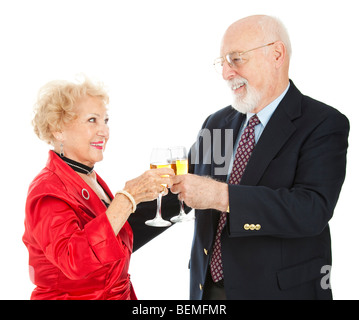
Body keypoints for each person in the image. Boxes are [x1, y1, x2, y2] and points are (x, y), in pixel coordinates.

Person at [171, 15, 350, 300]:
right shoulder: (217, 123)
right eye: (223, 63)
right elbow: (178, 194)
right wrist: (109, 225)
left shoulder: (323, 123)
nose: (226, 73)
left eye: (236, 59)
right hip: (208, 290)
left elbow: (311, 210)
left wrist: (222, 196)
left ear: (276, 54)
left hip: (279, 293)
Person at [22, 78, 176, 300]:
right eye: (92, 120)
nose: (104, 131)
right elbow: (73, 260)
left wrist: (178, 199)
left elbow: (113, 235)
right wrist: (127, 198)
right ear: (58, 130)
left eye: (106, 120)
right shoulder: (47, 190)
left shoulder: (86, 176)